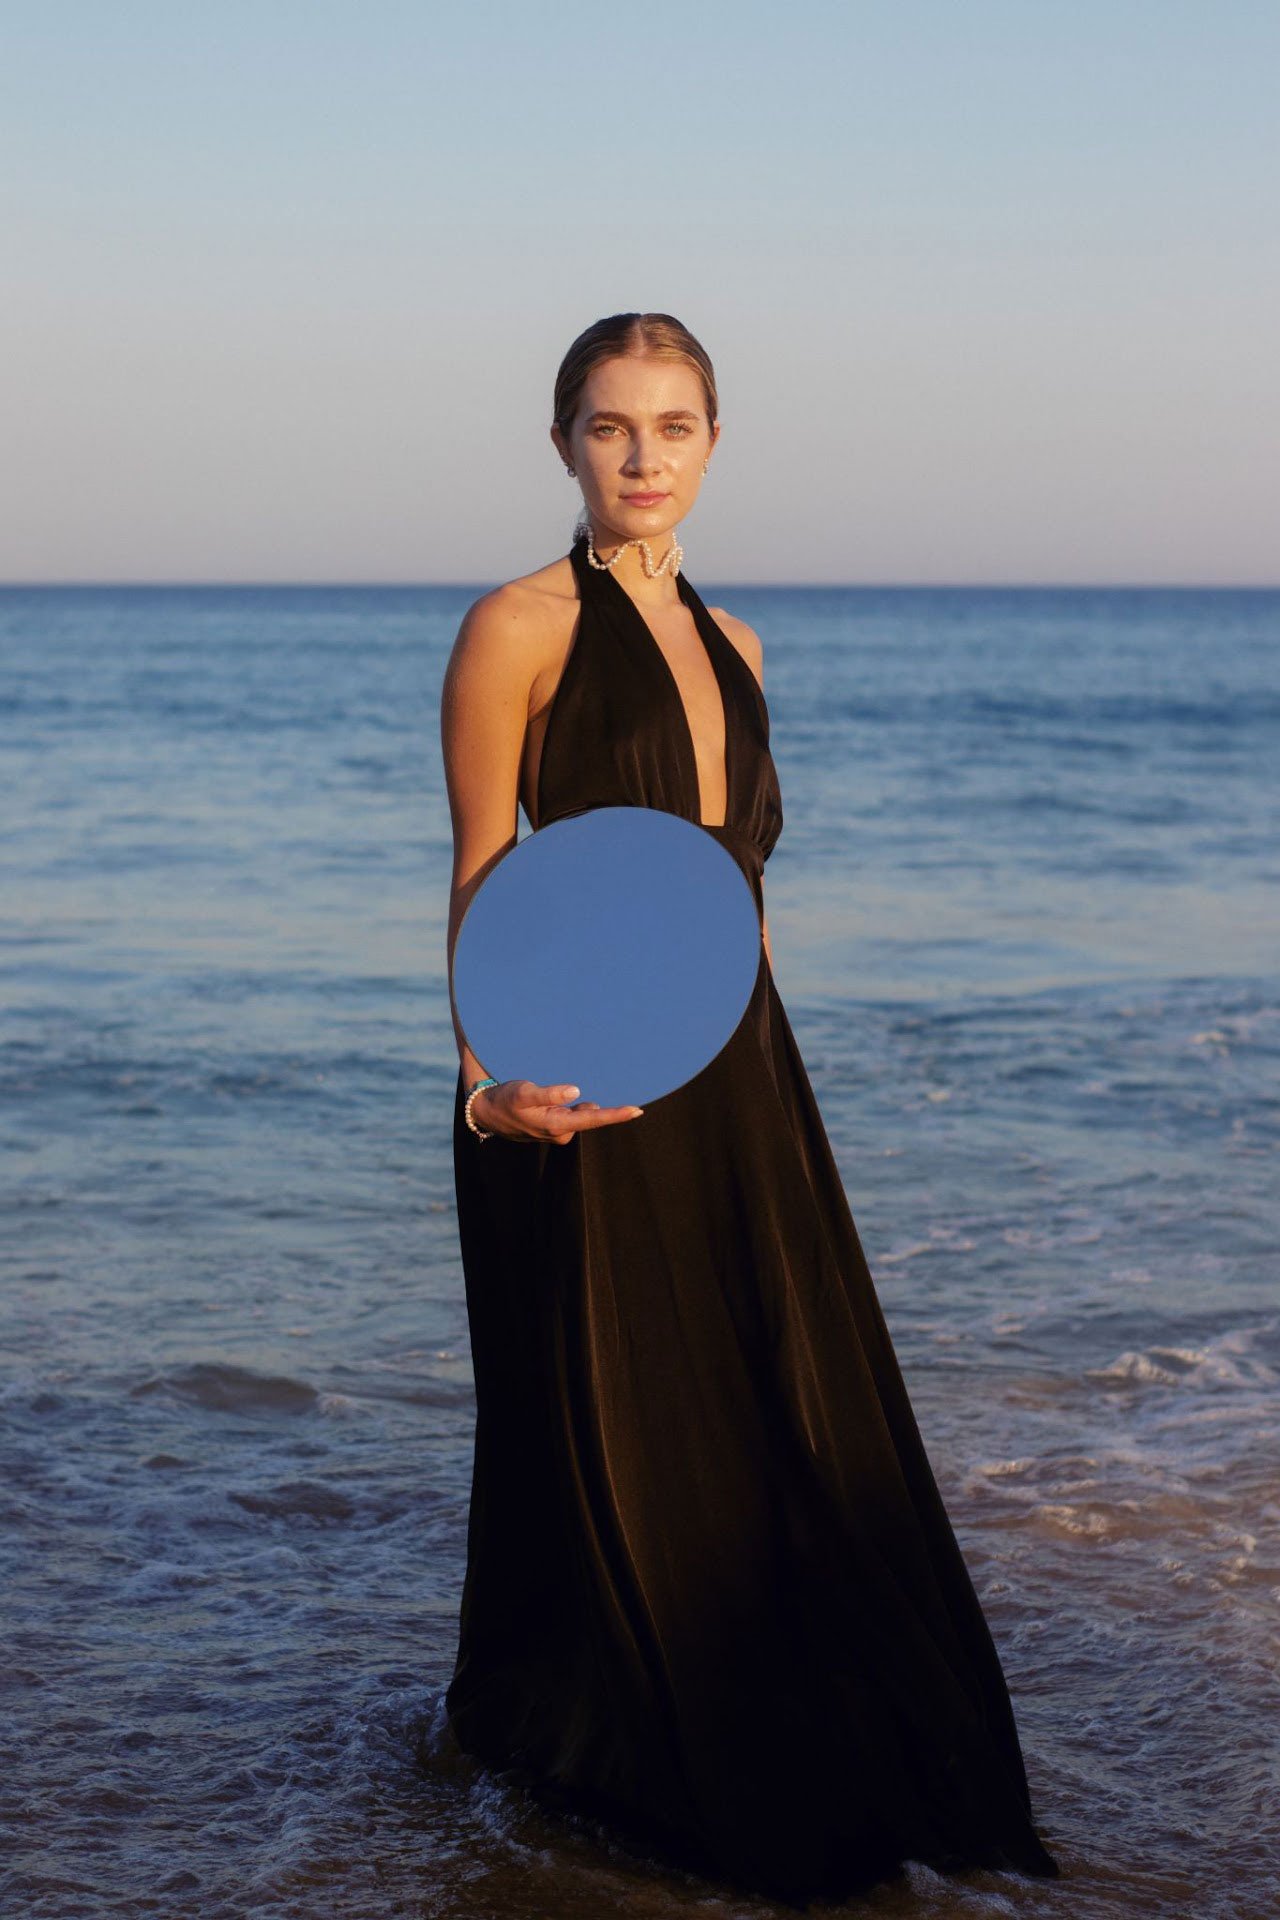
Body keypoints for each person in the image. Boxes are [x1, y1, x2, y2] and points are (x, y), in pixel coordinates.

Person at [437, 311, 1061, 1905]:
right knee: (620, 1423)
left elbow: (738, 891)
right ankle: (622, 1756)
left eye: (673, 427)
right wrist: (485, 1089)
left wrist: (772, 1089)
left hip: (742, 1070)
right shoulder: (516, 627)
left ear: (714, 443)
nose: (642, 457)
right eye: (610, 426)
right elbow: (486, 875)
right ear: (563, 442)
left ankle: (813, 1739)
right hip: (577, 1079)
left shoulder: (742, 646)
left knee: (783, 1407)